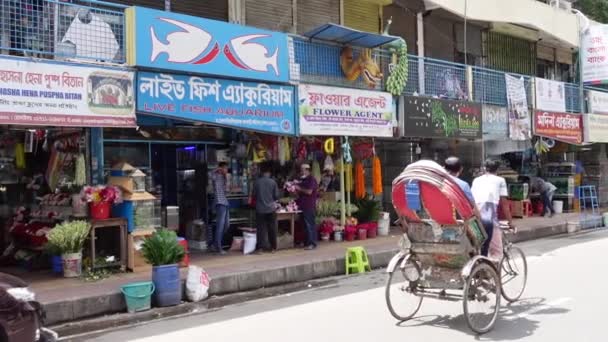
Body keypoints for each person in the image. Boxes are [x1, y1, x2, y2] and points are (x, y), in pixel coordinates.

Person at [471, 159, 514, 256]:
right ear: (497, 169)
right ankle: (492, 270)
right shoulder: (500, 180)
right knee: (497, 252)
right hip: (490, 219)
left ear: (484, 168)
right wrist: (511, 222)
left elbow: (472, 199)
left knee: (478, 249)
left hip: (475, 219)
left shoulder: (476, 180)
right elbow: (505, 205)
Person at [253, 162, 280, 253]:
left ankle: (260, 248)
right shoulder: (273, 182)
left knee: (260, 229)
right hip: (271, 209)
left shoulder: (257, 182)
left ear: (261, 172)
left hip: (260, 209)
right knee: (272, 228)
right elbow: (276, 196)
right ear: (269, 173)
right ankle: (273, 248)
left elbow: (254, 195)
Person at [295, 163, 319, 250]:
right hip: (302, 205)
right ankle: (306, 242)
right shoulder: (303, 180)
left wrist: (299, 188)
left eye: (302, 170)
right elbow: (299, 192)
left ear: (307, 170)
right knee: (304, 225)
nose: (301, 172)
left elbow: (309, 192)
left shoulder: (311, 179)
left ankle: (312, 243)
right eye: (301, 170)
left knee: (310, 224)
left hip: (309, 205)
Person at [210, 162, 229, 255]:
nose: (226, 170)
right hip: (219, 202)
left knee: (226, 225)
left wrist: (226, 177)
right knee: (220, 226)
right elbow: (210, 175)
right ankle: (218, 247)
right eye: (225, 168)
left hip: (225, 202)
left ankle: (214, 244)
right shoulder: (216, 176)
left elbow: (227, 190)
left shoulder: (224, 178)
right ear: (221, 168)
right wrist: (217, 169)